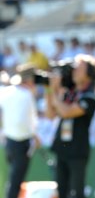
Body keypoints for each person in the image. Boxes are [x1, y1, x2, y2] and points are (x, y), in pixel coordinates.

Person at [45, 54, 95, 198]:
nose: (74, 71)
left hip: (77, 151)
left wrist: (55, 90)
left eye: (79, 69)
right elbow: (50, 114)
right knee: (61, 191)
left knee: (77, 193)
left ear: (88, 74)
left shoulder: (90, 96)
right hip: (62, 148)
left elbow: (66, 112)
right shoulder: (69, 92)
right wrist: (50, 90)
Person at [0, 64, 40, 198]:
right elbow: (30, 122)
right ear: (29, 80)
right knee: (15, 182)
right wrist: (35, 137)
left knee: (13, 180)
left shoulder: (5, 92)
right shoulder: (26, 95)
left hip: (9, 143)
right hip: (21, 144)